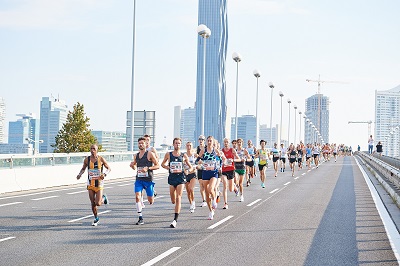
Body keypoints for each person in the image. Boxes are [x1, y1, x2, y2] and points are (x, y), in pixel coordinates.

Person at [161, 137, 192, 228]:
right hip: (172, 178)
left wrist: (187, 171)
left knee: (179, 197)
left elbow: (190, 167)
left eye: (179, 143)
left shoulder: (183, 155)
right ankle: (175, 205)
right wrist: (167, 167)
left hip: (181, 178)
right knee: (173, 200)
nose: (177, 145)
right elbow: (162, 164)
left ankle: (175, 220)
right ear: (173, 144)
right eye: (176, 143)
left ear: (180, 144)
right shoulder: (168, 154)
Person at [76, 144, 111, 226]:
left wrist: (104, 174)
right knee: (92, 203)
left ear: (97, 150)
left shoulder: (101, 159)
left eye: (94, 149)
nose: (92, 150)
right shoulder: (87, 160)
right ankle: (96, 218)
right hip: (90, 184)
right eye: (91, 149)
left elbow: (109, 168)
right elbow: (83, 168)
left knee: (98, 203)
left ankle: (104, 198)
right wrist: (79, 174)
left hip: (99, 184)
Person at [129, 137, 160, 225]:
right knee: (137, 196)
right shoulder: (136, 155)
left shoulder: (150, 154)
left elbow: (157, 166)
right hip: (139, 179)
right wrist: (132, 165)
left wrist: (148, 168)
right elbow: (135, 166)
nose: (140, 145)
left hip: (148, 180)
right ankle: (140, 217)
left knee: (151, 201)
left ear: (146, 144)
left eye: (142, 143)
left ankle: (152, 192)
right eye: (139, 143)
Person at [198, 136, 225, 219]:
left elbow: (223, 158)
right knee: (206, 193)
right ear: (206, 142)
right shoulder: (203, 150)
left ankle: (214, 199)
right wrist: (200, 162)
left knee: (211, 188)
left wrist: (219, 164)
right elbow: (198, 160)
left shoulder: (215, 151)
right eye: (208, 141)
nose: (209, 142)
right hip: (205, 173)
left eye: (211, 141)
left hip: (214, 173)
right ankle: (210, 211)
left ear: (213, 142)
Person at [221, 137, 240, 209]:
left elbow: (238, 158)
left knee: (231, 189)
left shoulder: (232, 150)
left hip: (231, 170)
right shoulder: (222, 151)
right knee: (225, 185)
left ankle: (235, 187)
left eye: (227, 142)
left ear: (229, 143)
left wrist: (233, 159)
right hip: (224, 170)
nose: (226, 143)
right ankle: (225, 203)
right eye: (225, 142)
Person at [184, 141, 197, 213]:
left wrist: (197, 166)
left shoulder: (194, 155)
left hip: (193, 173)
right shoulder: (184, 155)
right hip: (186, 174)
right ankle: (191, 203)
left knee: (191, 188)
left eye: (190, 146)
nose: (189, 147)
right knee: (188, 191)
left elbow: (199, 161)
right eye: (187, 146)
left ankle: (193, 202)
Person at [196, 135, 207, 207]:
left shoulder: (207, 148)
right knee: (201, 184)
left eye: (202, 139)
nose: (201, 141)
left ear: (204, 141)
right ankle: (204, 200)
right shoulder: (197, 149)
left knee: (206, 185)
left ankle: (212, 195)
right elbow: (196, 160)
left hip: (207, 168)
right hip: (200, 168)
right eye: (199, 139)